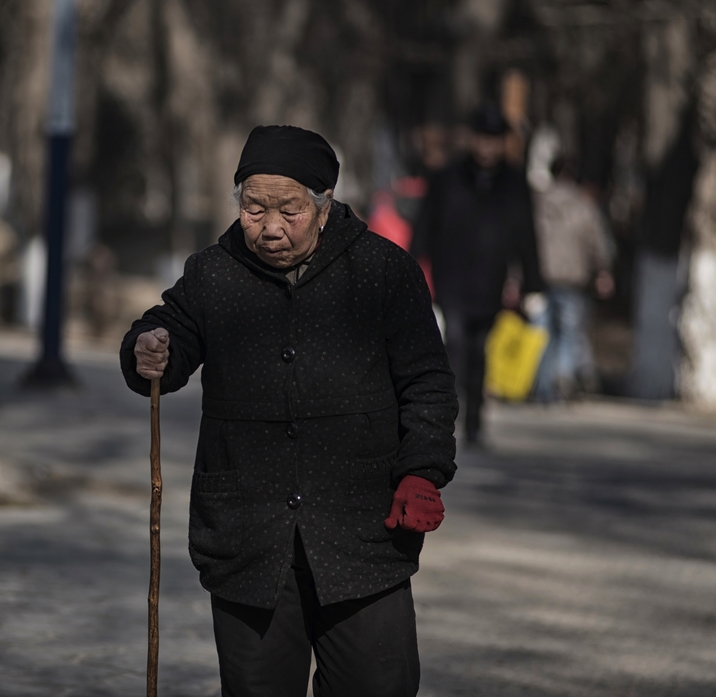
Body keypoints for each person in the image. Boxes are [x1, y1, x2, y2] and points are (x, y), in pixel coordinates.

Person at [120, 125, 458, 697]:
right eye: (254, 208)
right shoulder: (213, 273)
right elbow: (165, 334)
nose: (270, 227)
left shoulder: (382, 271)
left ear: (324, 206)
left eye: (289, 210)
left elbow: (428, 382)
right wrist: (148, 345)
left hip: (362, 538)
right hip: (250, 541)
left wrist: (422, 470)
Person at [411, 102, 544, 444]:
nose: (487, 147)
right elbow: (425, 225)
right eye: (482, 138)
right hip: (451, 278)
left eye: (494, 139)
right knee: (454, 346)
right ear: (472, 140)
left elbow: (526, 235)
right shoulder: (447, 178)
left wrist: (533, 284)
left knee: (481, 351)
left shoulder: (514, 184)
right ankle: (448, 418)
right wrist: (410, 271)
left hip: (489, 282)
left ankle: (474, 422)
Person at [531, 157, 615, 401]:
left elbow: (524, 239)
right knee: (569, 333)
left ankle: (541, 384)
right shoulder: (583, 205)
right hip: (572, 278)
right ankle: (562, 380)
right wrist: (603, 270)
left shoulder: (538, 204)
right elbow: (597, 241)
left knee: (541, 332)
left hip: (541, 276)